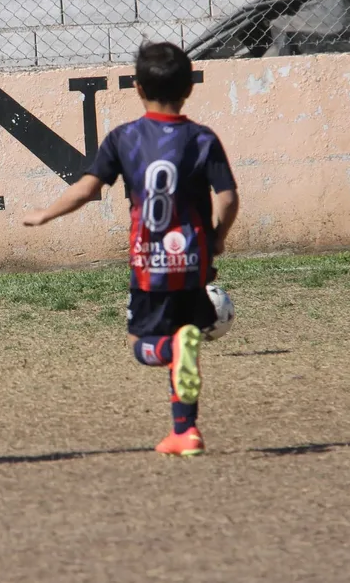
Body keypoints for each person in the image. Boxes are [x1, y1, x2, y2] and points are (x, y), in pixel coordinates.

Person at [23, 41, 240, 457]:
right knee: (186, 338)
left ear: (138, 88)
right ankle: (185, 432)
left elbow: (88, 190)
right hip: (194, 261)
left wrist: (46, 214)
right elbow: (228, 198)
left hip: (150, 264)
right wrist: (218, 237)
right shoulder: (203, 139)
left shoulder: (124, 139)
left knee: (144, 345)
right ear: (189, 88)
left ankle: (170, 355)